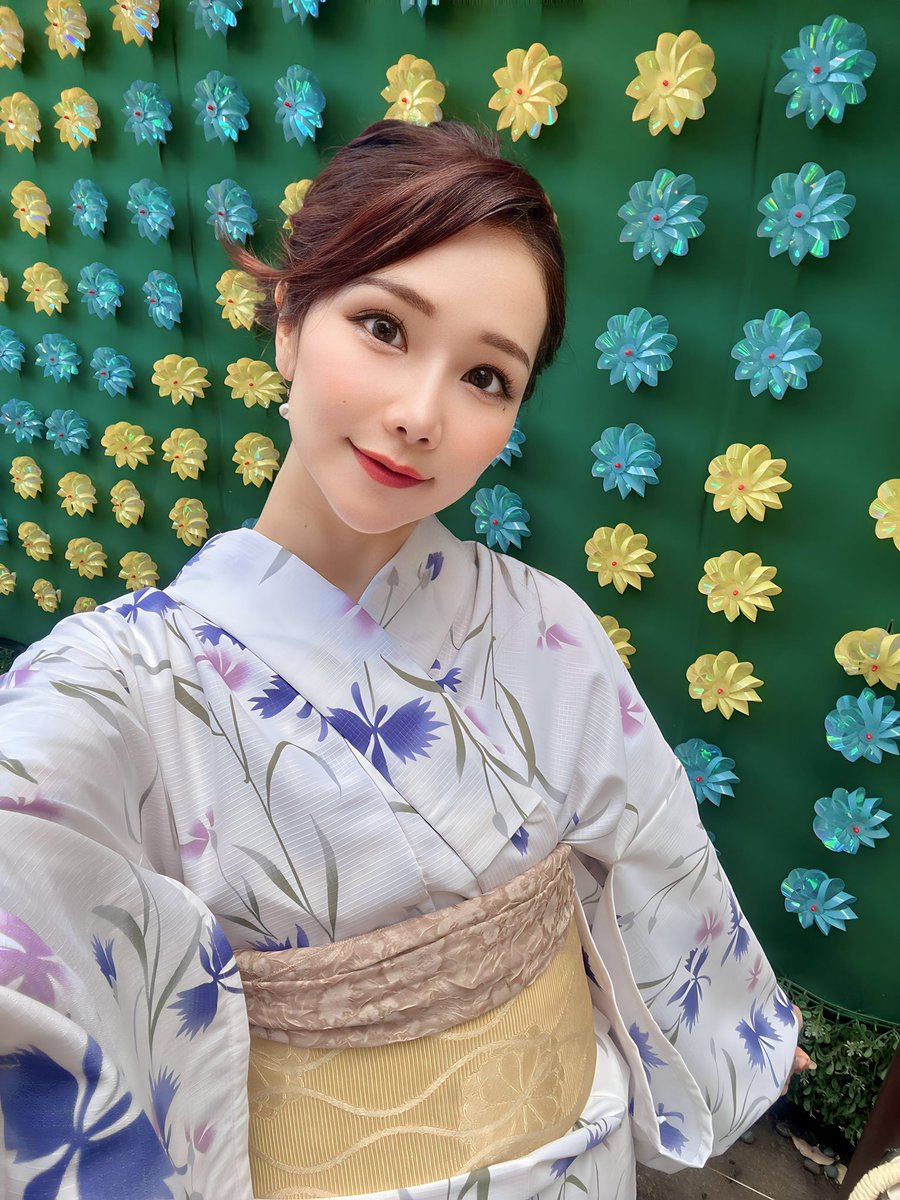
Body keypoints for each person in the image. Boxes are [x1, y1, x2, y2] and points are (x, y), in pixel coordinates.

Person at [0, 119, 808, 1200]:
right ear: (290, 321)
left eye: (486, 377)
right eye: (383, 327)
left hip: (583, 1157)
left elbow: (651, 841)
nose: (421, 414)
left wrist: (739, 1026)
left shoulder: (540, 622)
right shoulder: (118, 686)